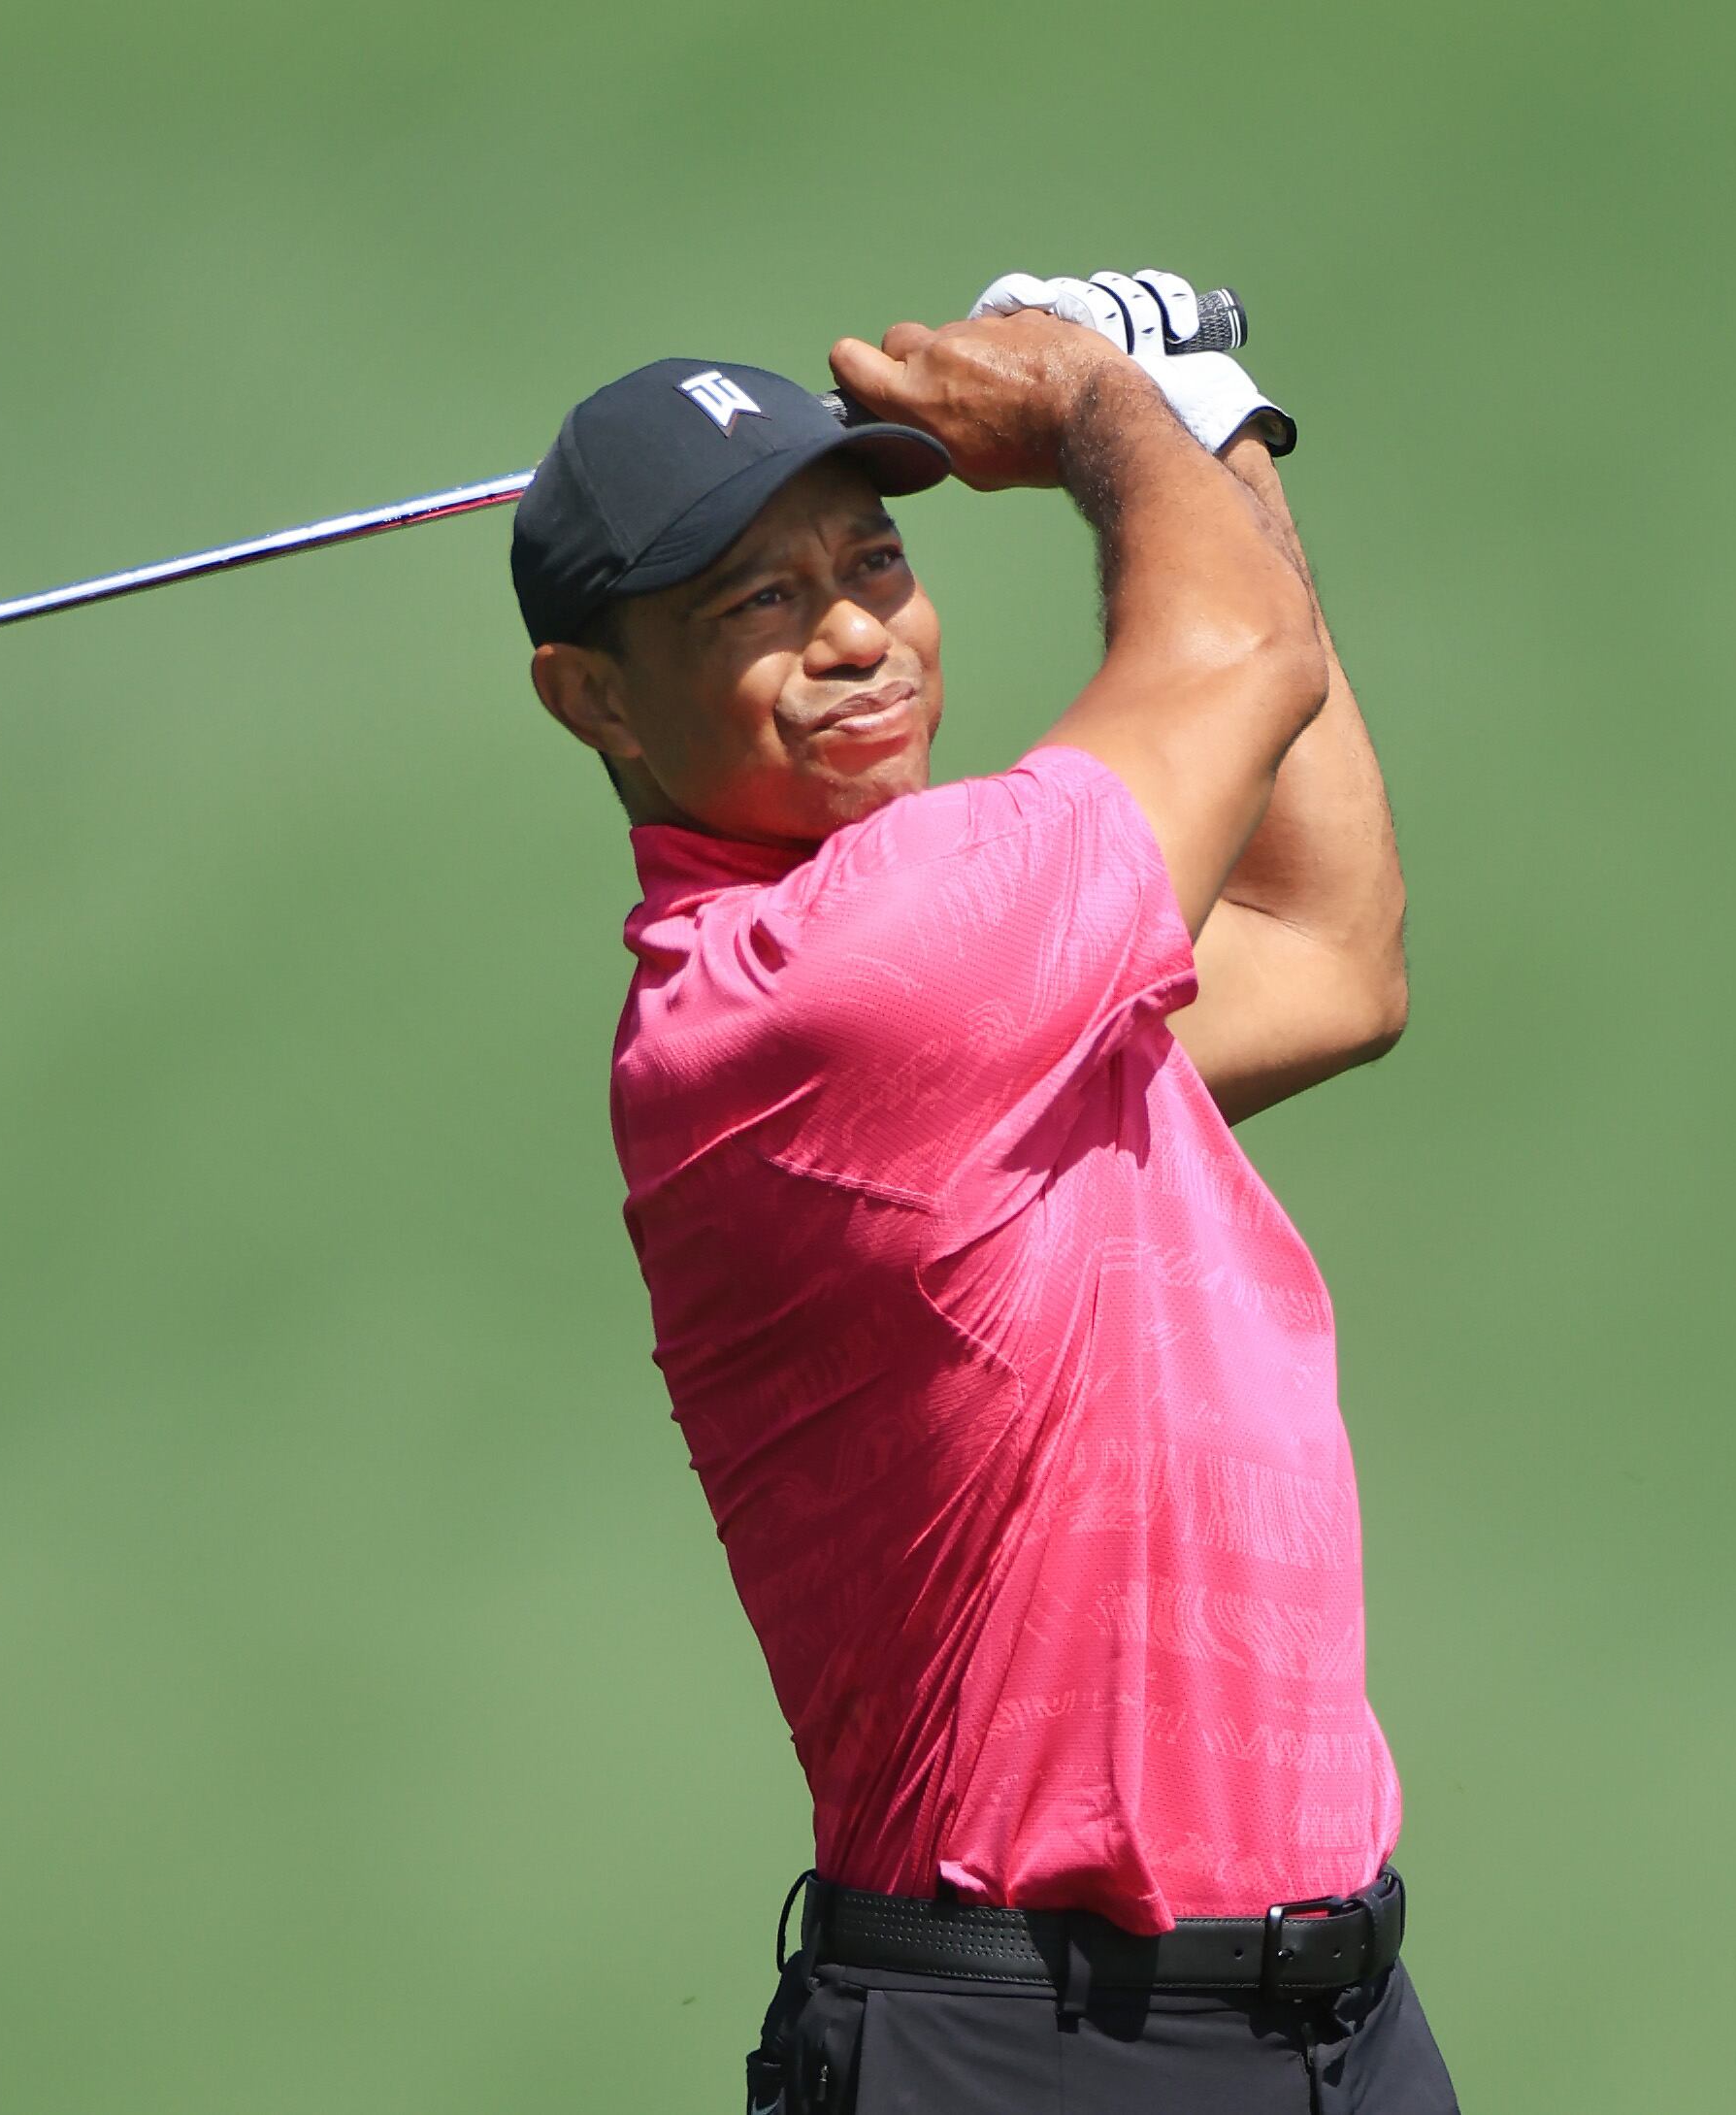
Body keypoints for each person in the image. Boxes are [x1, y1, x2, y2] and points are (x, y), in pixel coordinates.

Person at [510, 269, 1457, 2112]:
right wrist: (1114, 408)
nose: (858, 638)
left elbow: (1323, 950)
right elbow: (1236, 660)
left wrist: (1207, 422)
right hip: (1031, 2050)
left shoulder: (984, 984)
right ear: (590, 699)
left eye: (872, 563)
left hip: (1335, 2021)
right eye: (759, 605)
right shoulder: (841, 981)